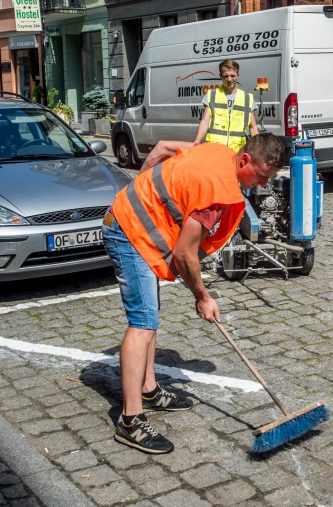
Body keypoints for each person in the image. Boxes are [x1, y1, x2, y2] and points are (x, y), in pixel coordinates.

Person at [103, 133, 287, 454]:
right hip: (129, 231)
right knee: (142, 323)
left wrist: (138, 188)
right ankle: (130, 421)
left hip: (134, 221)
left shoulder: (220, 152)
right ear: (245, 160)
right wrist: (202, 296)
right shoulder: (217, 192)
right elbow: (184, 254)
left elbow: (162, 149)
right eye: (259, 176)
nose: (260, 185)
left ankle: (148, 389)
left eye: (267, 180)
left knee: (149, 314)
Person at [193, 59, 259, 152]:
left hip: (237, 151)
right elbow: (205, 122)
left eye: (232, 76)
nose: (229, 79)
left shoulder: (247, 98)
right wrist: (197, 141)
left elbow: (253, 128)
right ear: (220, 76)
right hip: (215, 150)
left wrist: (258, 149)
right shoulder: (212, 95)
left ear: (238, 75)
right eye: (225, 76)